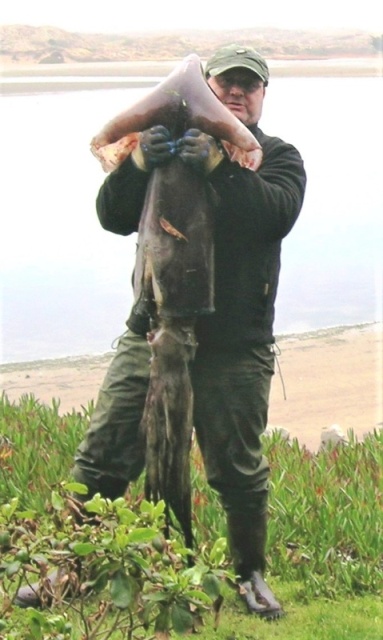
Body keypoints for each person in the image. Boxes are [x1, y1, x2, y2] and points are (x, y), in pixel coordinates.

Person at [16, 44, 306, 619]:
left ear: (263, 96)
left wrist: (221, 167)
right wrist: (143, 164)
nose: (237, 93)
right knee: (102, 457)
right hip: (148, 331)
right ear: (208, 84)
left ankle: (250, 574)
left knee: (239, 471)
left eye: (250, 85)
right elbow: (113, 215)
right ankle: (69, 565)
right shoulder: (164, 148)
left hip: (235, 346)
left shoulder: (277, 156)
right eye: (227, 83)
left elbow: (274, 215)